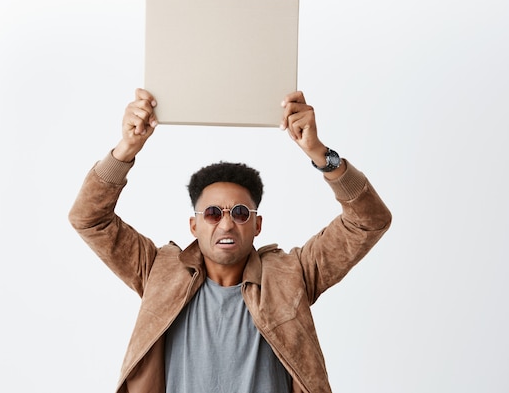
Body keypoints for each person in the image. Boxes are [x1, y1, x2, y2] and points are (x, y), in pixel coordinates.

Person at [69, 88, 392, 393]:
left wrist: (321, 155)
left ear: (257, 224)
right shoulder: (157, 271)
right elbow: (89, 218)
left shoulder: (291, 275)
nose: (226, 223)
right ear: (194, 225)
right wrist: (126, 149)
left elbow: (368, 221)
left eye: (240, 212)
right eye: (212, 213)